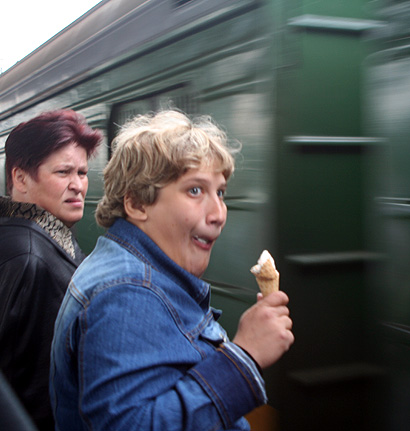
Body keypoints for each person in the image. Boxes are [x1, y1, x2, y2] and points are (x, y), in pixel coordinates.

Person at [50, 110, 294, 431]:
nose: (219, 214)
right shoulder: (128, 291)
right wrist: (245, 355)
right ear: (137, 204)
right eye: (195, 190)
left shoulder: (130, 269)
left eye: (220, 192)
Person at [0, 110, 102, 431]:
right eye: (63, 172)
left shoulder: (33, 238)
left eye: (82, 172)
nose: (78, 185)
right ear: (21, 179)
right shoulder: (25, 257)